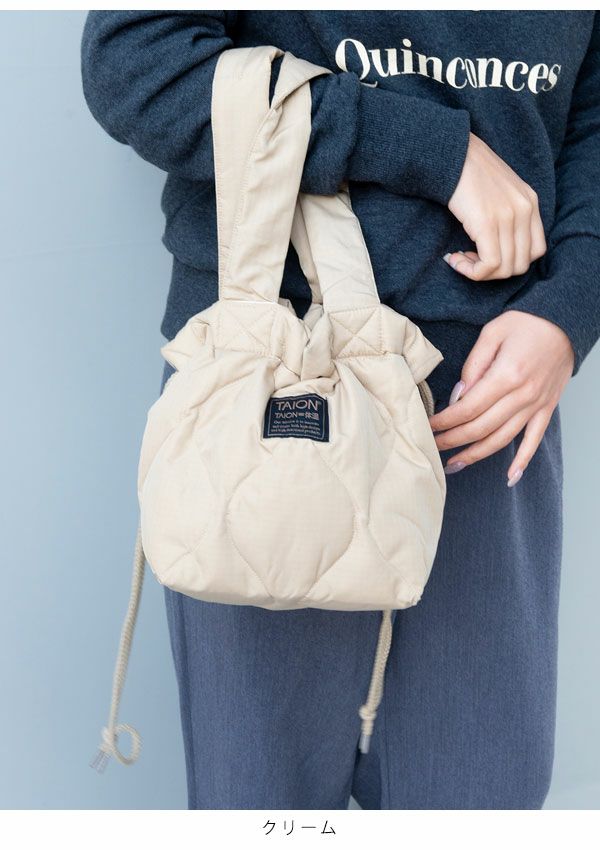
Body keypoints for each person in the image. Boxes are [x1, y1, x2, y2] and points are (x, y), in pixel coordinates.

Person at [80, 11, 600, 810]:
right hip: (263, 391)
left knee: (479, 799)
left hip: (489, 393)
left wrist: (572, 306)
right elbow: (134, 64)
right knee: (261, 803)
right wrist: (440, 152)